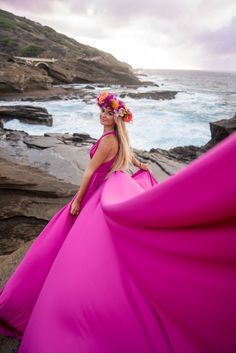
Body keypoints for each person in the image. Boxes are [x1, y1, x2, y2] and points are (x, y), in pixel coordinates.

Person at [0, 92, 236, 353]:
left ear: (116, 118)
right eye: (102, 110)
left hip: (96, 188)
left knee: (71, 233)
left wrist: (78, 200)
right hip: (105, 184)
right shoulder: (117, 138)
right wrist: (140, 164)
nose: (103, 114)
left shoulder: (107, 142)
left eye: (109, 112)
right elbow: (129, 155)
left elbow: (90, 171)